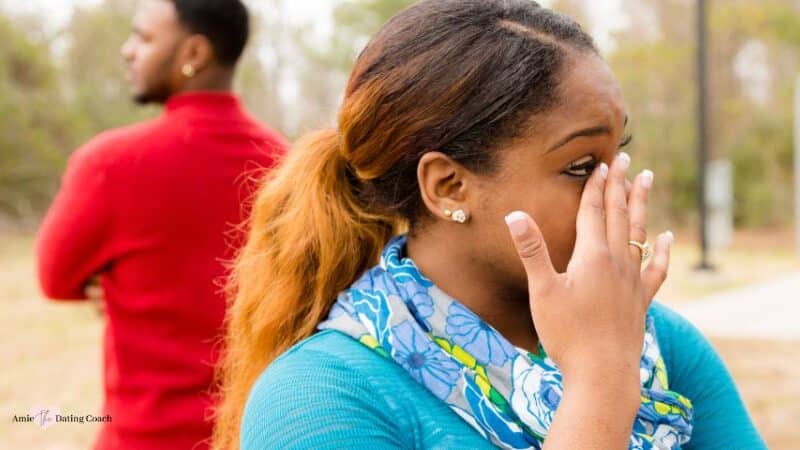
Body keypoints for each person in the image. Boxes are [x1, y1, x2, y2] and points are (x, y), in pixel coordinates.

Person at [213, 1, 766, 449]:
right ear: (449, 187)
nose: (613, 192)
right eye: (580, 167)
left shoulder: (656, 342)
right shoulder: (322, 398)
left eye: (616, 156)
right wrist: (600, 384)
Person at [35, 0, 286, 449]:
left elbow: (55, 278)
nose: (127, 51)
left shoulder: (110, 165)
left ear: (194, 53)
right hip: (253, 434)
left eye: (144, 37)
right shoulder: (286, 166)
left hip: (143, 437)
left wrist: (115, 281)